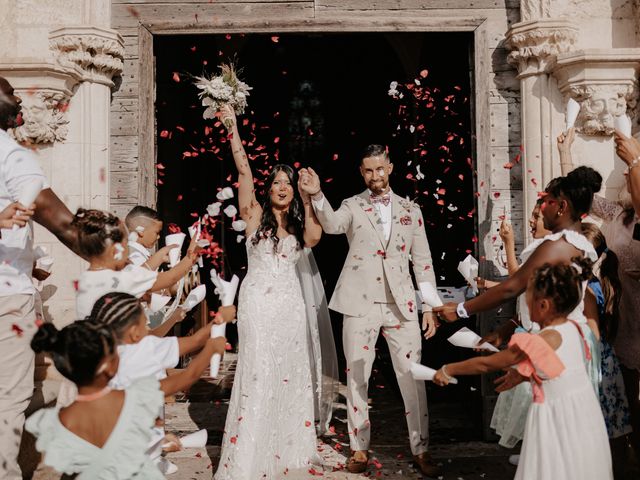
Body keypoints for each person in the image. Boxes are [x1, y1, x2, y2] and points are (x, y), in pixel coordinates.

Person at [299, 145, 442, 476]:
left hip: (401, 305)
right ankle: (358, 448)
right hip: (360, 302)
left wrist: (430, 307)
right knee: (357, 378)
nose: (375, 176)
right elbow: (333, 225)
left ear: (390, 167)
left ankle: (421, 449)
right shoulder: (352, 205)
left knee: (412, 378)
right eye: (368, 171)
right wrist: (317, 193)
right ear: (361, 173)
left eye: (380, 169)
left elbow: (423, 262)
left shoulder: (411, 210)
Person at [214, 105, 336, 479]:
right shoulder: (252, 213)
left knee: (290, 371)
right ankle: (248, 453)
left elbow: (317, 238)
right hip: (257, 304)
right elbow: (244, 170)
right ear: (268, 189)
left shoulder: (302, 224)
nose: (282, 187)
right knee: (258, 371)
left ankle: (288, 449)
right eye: (277, 182)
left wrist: (312, 196)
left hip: (290, 305)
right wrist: (232, 129)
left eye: (288, 182)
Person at [433, 261, 613, 480]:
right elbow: (558, 371)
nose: (525, 303)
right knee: (574, 467)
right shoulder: (575, 329)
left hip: (557, 418)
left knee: (552, 469)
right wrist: (525, 375)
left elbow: (488, 364)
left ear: (543, 305)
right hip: (582, 415)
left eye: (528, 298)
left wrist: (448, 368)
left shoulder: (545, 338)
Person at [0, 76, 85, 479]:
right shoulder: (12, 156)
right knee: (8, 401)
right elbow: (64, 224)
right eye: (11, 92)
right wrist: (115, 258)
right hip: (6, 299)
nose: (19, 98)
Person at [25, 320, 226, 479]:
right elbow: (186, 378)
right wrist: (210, 349)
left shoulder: (65, 416)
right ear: (107, 367)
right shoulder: (124, 399)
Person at [560, 128, 640, 459]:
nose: (625, 175)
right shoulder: (617, 214)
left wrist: (635, 160)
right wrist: (566, 153)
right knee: (626, 400)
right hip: (619, 320)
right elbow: (583, 199)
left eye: (631, 173)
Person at [90, 291, 234, 475]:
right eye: (144, 320)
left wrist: (159, 439)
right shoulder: (146, 348)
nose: (148, 324)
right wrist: (213, 342)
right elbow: (189, 371)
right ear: (134, 331)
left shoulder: (101, 357)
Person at [71, 208, 200, 319]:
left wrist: (159, 256)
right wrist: (193, 250)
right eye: (126, 240)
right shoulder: (122, 278)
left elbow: (143, 270)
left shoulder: (87, 279)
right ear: (115, 247)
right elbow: (169, 278)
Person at [581, 222, 632, 474]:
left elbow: (592, 334)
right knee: (612, 427)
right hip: (606, 362)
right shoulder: (601, 284)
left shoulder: (589, 289)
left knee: (602, 429)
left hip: (595, 363)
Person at [125, 206, 172, 270]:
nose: (159, 237)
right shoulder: (136, 257)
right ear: (141, 231)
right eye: (157, 233)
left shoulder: (132, 251)